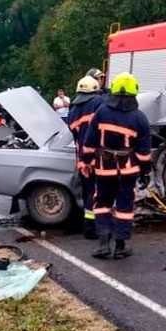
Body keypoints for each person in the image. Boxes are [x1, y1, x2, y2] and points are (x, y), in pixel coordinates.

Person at [82, 72, 151, 259]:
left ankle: (103, 244)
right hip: (128, 172)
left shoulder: (101, 112)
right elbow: (144, 152)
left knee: (102, 204)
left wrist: (86, 162)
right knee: (125, 206)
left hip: (104, 169)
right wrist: (145, 173)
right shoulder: (140, 118)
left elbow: (89, 142)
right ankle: (120, 247)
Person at [67, 76, 104, 239]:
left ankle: (88, 224)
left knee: (89, 192)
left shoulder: (73, 109)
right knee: (98, 193)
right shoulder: (97, 103)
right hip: (97, 158)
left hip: (82, 159)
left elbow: (74, 132)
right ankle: (94, 228)